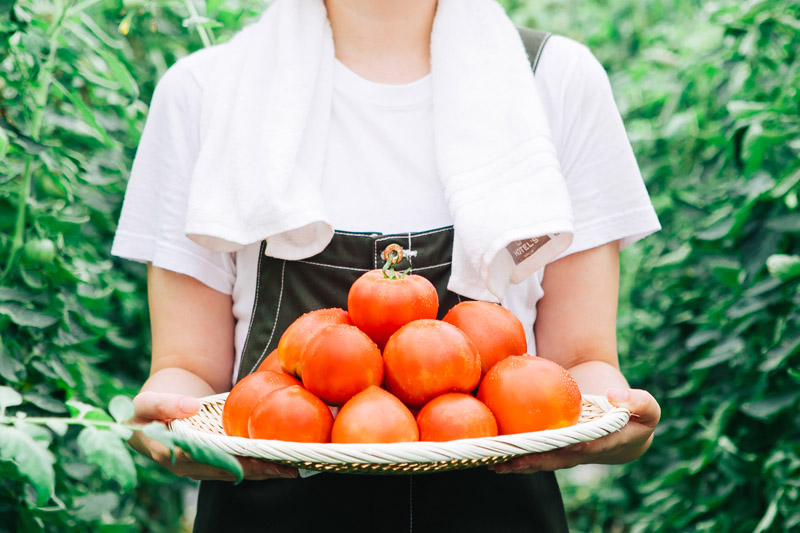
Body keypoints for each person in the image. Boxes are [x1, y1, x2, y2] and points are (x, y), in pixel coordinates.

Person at [113, 0, 662, 530]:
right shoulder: (207, 93)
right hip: (269, 509)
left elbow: (584, 362)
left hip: (496, 511)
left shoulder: (554, 81)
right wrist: (169, 426)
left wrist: (614, 419)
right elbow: (187, 369)